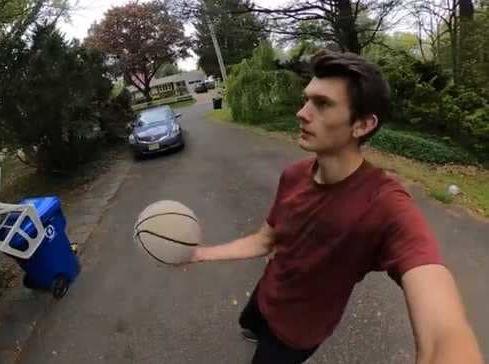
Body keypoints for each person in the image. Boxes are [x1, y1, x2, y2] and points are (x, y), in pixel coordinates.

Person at [187, 50, 483, 364]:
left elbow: (442, 330)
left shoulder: (386, 205)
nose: (302, 113)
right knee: (249, 323)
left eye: (323, 104)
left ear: (362, 125)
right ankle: (253, 325)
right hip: (265, 295)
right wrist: (201, 253)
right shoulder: (293, 175)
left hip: (296, 335)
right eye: (307, 100)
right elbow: (265, 240)